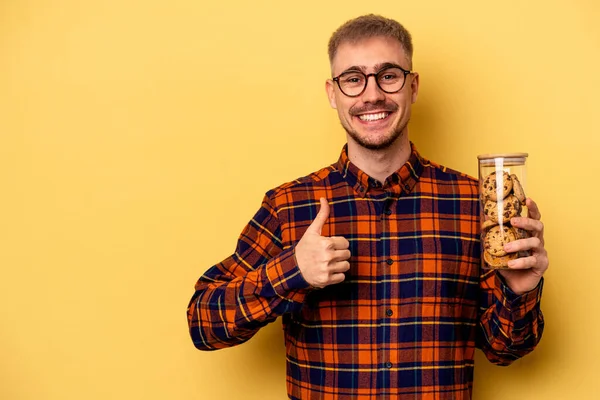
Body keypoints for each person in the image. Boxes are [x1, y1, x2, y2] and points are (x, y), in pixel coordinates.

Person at [187, 14, 548, 400]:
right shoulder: (288, 206)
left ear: (413, 86)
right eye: (353, 79)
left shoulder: (472, 204)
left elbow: (505, 349)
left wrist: (520, 289)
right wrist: (293, 271)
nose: (371, 95)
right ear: (332, 93)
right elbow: (203, 324)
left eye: (388, 75)